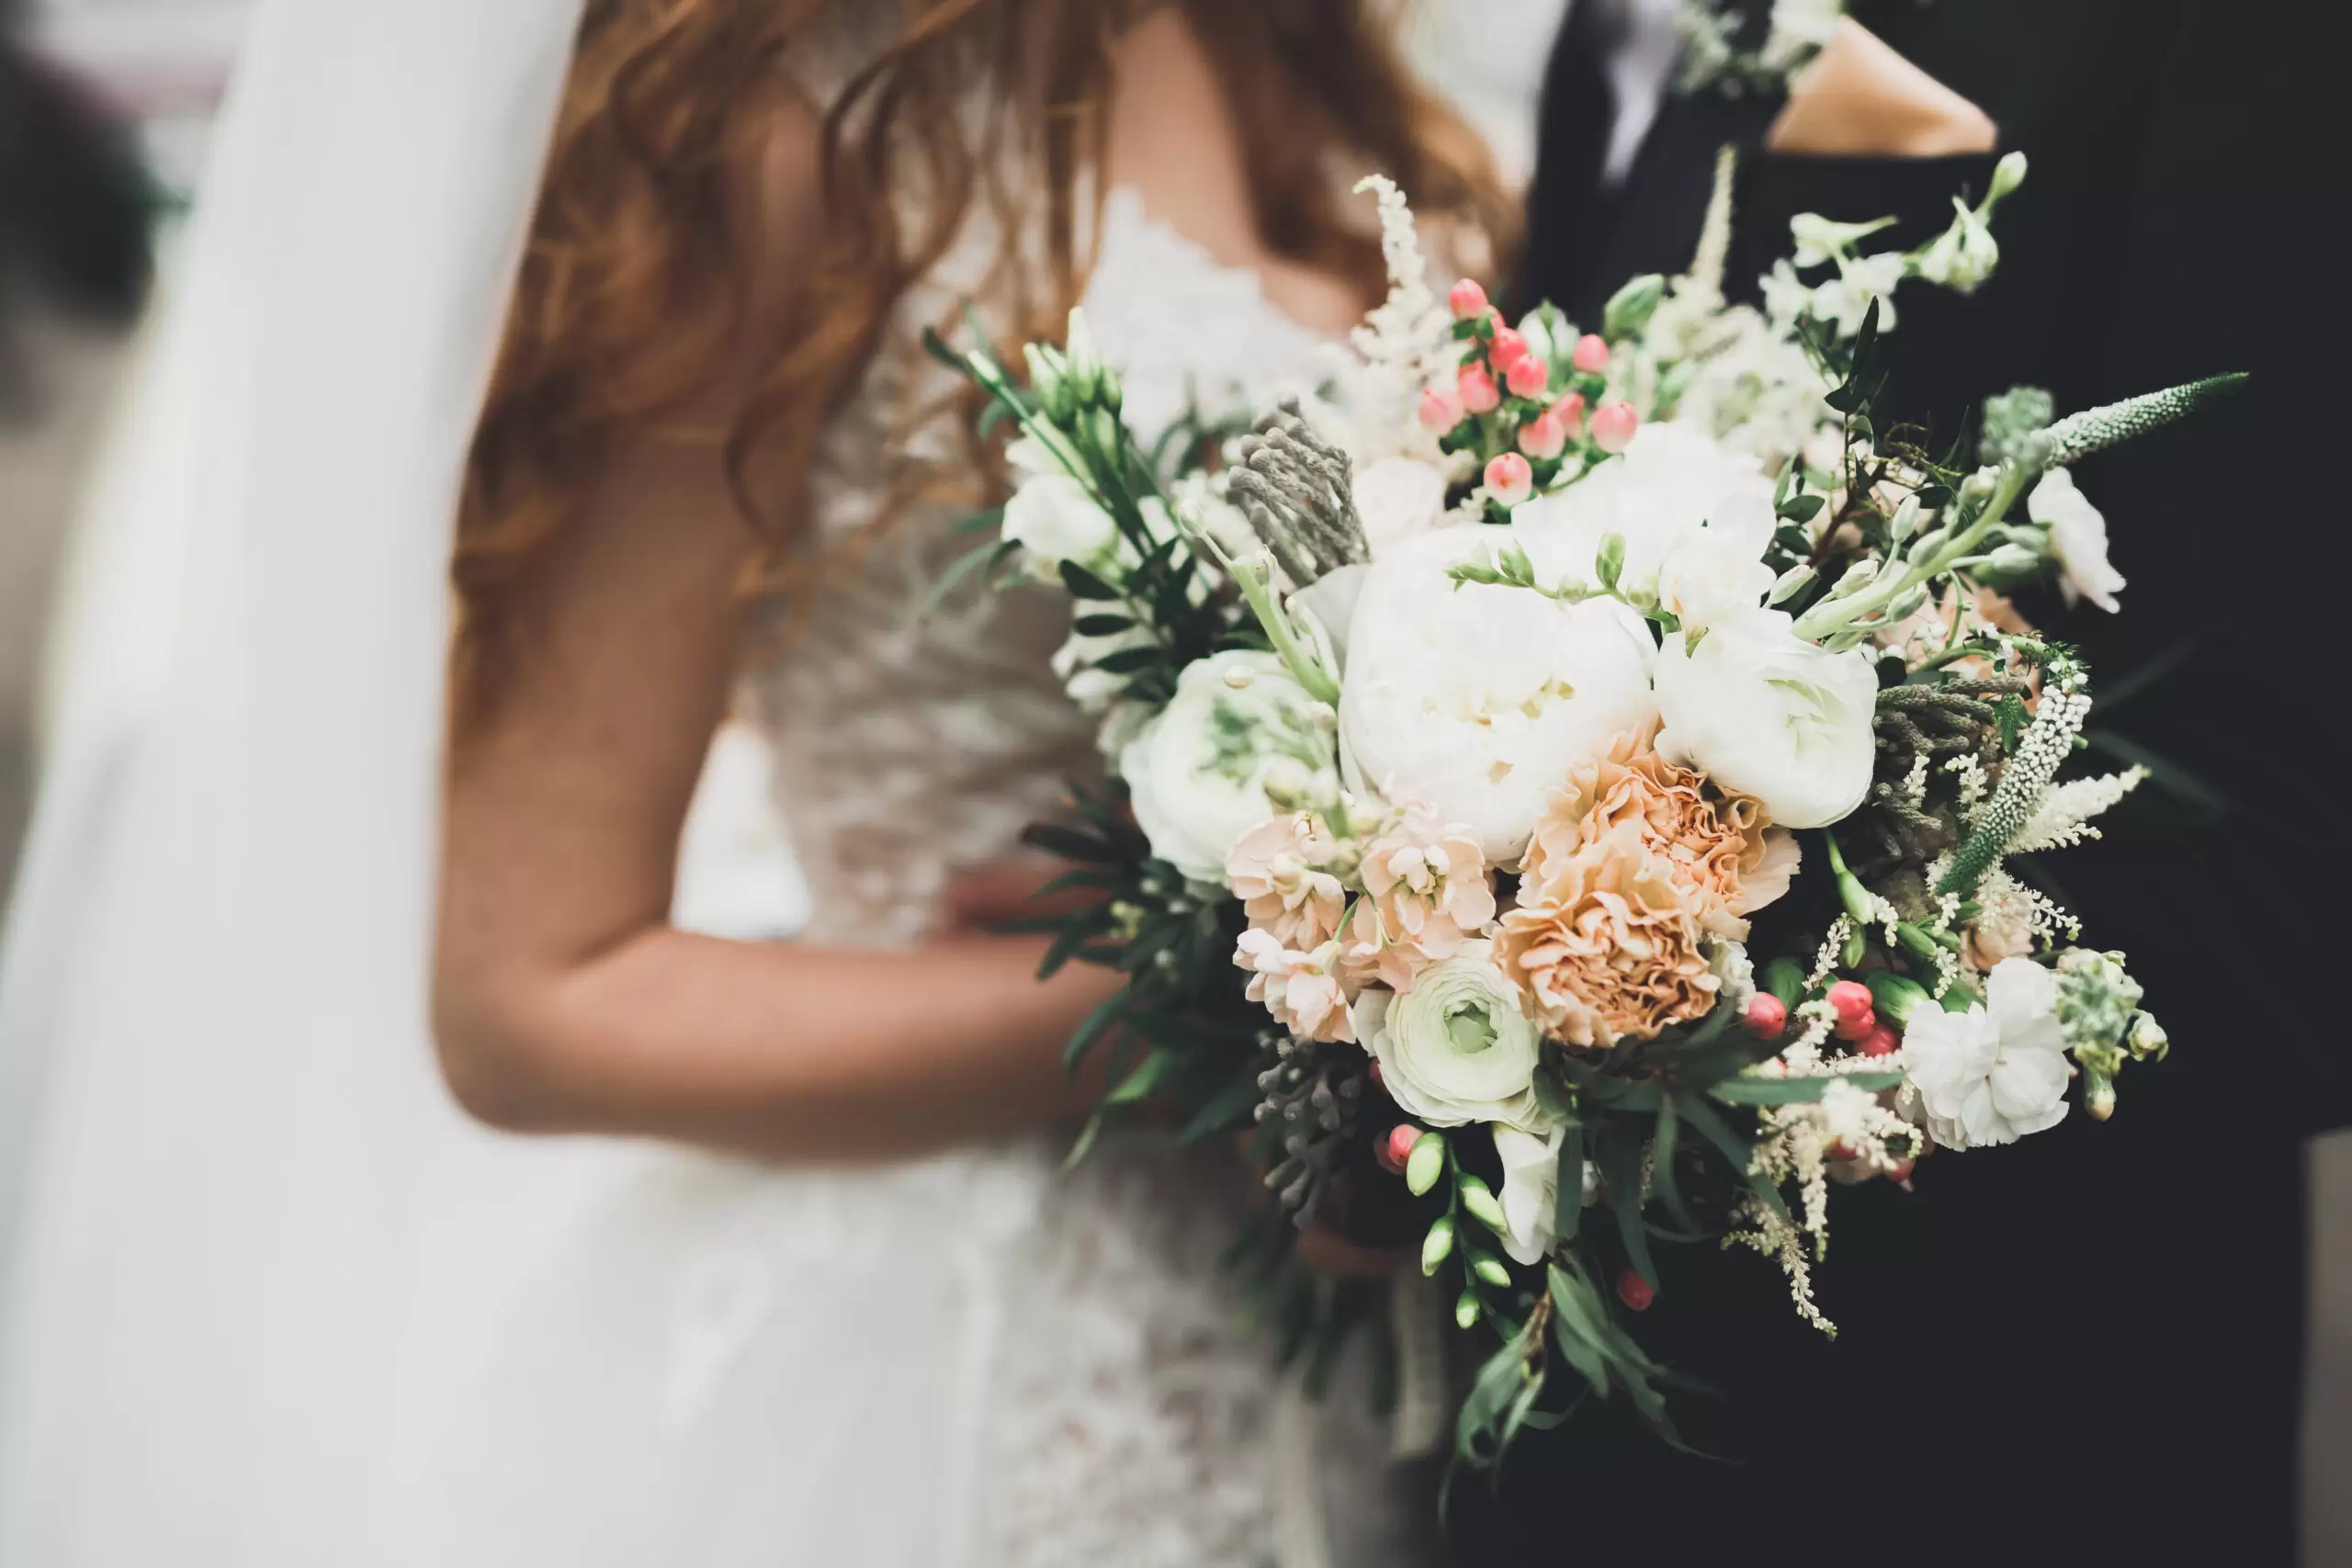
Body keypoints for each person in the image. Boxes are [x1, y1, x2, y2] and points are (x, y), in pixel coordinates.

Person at [0, 2, 1513, 1563]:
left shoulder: (1287, 42)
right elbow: (525, 997)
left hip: (1365, 1330)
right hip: (969, 1356)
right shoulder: (763, 113)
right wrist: (1202, 997)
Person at [1471, 2, 2342, 1562]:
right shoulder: (1602, 34)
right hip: (1576, 1453)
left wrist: (1662, 957)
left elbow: (2305, 876)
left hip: (1980, 1451)